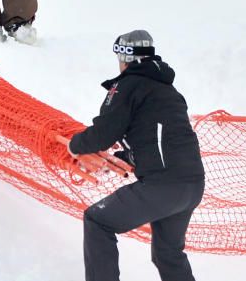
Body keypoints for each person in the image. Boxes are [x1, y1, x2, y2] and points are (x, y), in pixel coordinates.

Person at [69, 30, 205, 281]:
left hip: (163, 186)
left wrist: (74, 144)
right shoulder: (169, 91)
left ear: (125, 57)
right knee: (168, 253)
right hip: (192, 186)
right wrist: (130, 156)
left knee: (97, 221)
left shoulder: (127, 86)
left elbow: (103, 133)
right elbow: (162, 136)